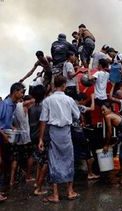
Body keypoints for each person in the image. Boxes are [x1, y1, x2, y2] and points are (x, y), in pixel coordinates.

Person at [38, 75, 80, 203]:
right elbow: (77, 115)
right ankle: (70, 191)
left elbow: (43, 121)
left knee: (54, 160)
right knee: (68, 158)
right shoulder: (69, 100)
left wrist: (40, 139)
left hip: (53, 132)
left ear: (54, 85)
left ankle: (55, 194)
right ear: (64, 86)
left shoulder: (47, 100)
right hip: (66, 132)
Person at [0, 82, 26, 202]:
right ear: (15, 91)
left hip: (2, 136)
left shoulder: (13, 105)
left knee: (1, 162)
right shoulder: (5, 103)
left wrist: (12, 128)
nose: (23, 94)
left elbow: (6, 121)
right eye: (22, 92)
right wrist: (3, 133)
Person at [10, 95, 36, 186]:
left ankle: (11, 180)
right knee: (30, 156)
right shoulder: (21, 105)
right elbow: (32, 100)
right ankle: (28, 176)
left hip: (17, 136)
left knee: (15, 158)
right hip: (25, 136)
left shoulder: (14, 108)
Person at [72, 93, 100, 180]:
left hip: (72, 132)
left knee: (75, 153)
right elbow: (92, 108)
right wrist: (92, 98)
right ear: (81, 100)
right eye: (84, 101)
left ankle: (72, 174)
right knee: (88, 153)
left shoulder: (71, 104)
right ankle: (90, 173)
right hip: (78, 133)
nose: (84, 103)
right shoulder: (78, 106)